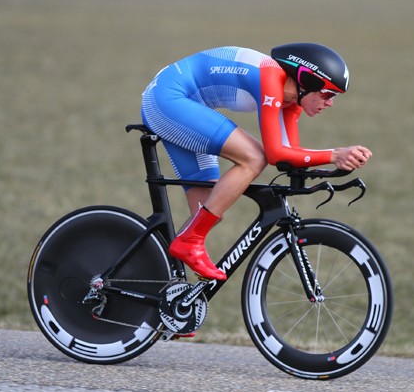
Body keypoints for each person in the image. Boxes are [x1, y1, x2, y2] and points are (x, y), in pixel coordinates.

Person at [141, 43, 372, 281]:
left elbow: (291, 155)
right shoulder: (271, 78)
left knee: (209, 209)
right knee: (254, 158)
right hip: (168, 99)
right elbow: (274, 154)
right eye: (327, 94)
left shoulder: (292, 102)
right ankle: (190, 242)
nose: (330, 103)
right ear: (308, 83)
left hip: (183, 105)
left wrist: (331, 170)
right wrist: (334, 155)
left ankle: (149, 282)